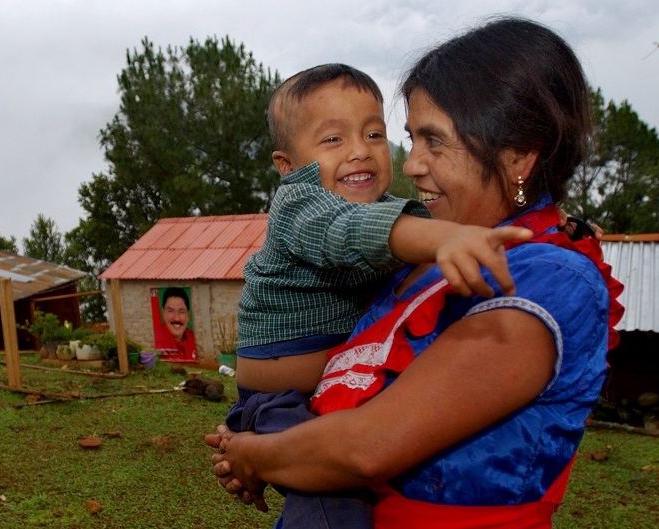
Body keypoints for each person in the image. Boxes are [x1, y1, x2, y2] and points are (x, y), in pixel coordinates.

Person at [209, 17, 625, 529]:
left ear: (517, 155)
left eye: (433, 141)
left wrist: (255, 454)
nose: (409, 165)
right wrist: (271, 446)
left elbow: (367, 447)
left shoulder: (550, 279)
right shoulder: (425, 257)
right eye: (412, 139)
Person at [229, 63, 532, 529]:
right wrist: (443, 239)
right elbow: (350, 232)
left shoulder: (395, 212)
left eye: (374, 134)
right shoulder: (300, 207)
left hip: (332, 394)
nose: (359, 152)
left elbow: (465, 231)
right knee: (334, 502)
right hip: (279, 401)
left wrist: (543, 228)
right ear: (288, 167)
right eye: (333, 140)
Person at [158, 287, 197, 361]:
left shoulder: (192, 337)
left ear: (188, 315)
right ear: (163, 313)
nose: (177, 318)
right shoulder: (157, 340)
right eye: (171, 311)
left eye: (181, 312)